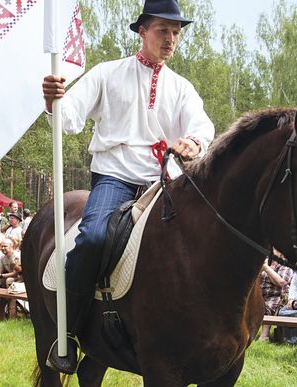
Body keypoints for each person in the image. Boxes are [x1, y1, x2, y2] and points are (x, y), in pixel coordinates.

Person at [41, 0, 214, 373]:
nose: (170, 39)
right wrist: (54, 100)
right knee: (93, 238)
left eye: (176, 32)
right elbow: (68, 116)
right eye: (162, 31)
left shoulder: (181, 87)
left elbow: (202, 125)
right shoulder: (108, 73)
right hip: (115, 178)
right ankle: (68, 333)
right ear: (142, 31)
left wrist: (194, 143)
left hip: (164, 181)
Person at [258, 251, 293, 341]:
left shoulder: (285, 264)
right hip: (260, 294)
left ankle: (264, 336)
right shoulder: (265, 261)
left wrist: (266, 268)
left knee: (267, 306)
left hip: (277, 295)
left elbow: (281, 282)